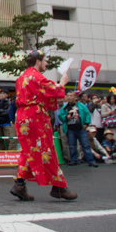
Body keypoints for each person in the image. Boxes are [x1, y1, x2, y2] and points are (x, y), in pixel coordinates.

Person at [11, 51, 75, 201]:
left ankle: (19, 184)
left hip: (23, 115)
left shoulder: (22, 77)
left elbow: (43, 96)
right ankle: (58, 186)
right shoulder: (36, 76)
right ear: (38, 61)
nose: (46, 64)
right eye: (45, 61)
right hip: (34, 116)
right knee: (46, 148)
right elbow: (52, 90)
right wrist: (62, 83)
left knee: (29, 150)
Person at [58, 90, 95, 168]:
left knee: (85, 145)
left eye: (71, 96)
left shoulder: (81, 106)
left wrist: (86, 123)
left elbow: (87, 114)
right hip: (70, 129)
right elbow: (60, 116)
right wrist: (66, 117)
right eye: (68, 96)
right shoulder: (65, 107)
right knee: (72, 145)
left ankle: (90, 160)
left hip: (81, 128)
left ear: (75, 97)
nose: (69, 97)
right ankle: (73, 160)